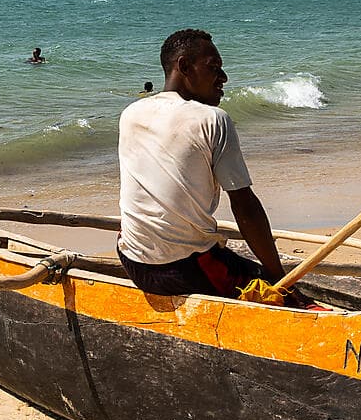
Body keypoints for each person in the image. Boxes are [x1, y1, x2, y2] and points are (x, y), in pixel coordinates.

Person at [116, 29, 286, 299]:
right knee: (275, 289)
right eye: (213, 67)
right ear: (184, 67)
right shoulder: (213, 119)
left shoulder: (131, 113)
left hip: (133, 262)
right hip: (185, 270)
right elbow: (244, 205)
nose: (224, 77)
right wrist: (278, 276)